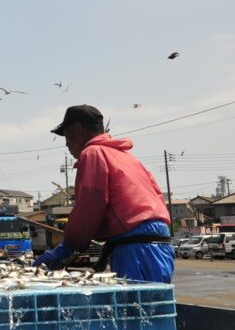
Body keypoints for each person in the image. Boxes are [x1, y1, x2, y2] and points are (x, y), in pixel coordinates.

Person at [35, 105, 174, 283]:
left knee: (138, 307)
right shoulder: (126, 157)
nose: (67, 144)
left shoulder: (92, 153)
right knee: (157, 305)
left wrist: (67, 247)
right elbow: (157, 197)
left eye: (66, 136)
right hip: (161, 244)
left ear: (77, 130)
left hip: (136, 247)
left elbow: (90, 207)